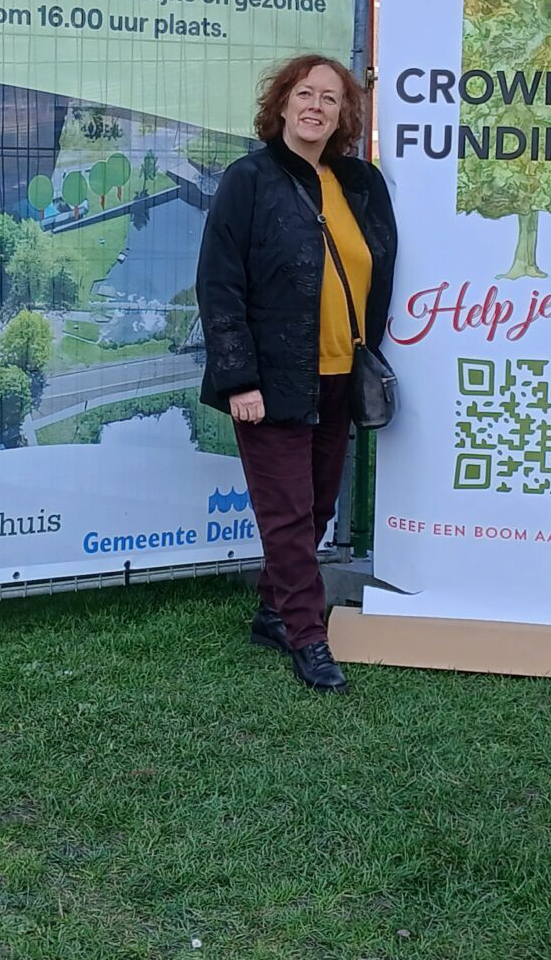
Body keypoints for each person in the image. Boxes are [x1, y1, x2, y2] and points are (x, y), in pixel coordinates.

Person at [197, 54, 398, 694]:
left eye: (330, 99)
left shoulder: (360, 183)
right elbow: (220, 285)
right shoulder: (249, 180)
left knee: (314, 508)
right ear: (282, 104)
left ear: (343, 116)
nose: (316, 106)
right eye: (305, 94)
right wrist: (239, 379)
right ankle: (309, 636)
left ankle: (272, 612)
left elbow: (379, 268)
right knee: (286, 512)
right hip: (272, 378)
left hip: (340, 373)